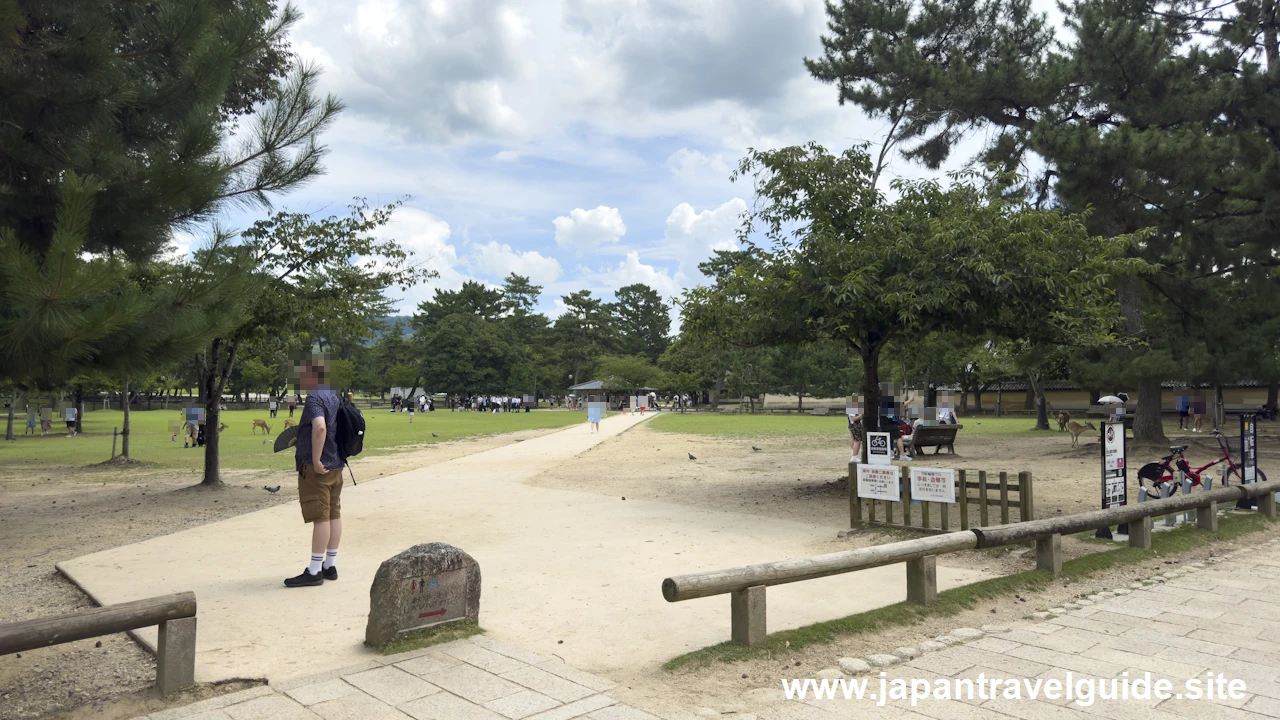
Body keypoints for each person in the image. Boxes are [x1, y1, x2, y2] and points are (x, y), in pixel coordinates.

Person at [286, 356, 344, 588]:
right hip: (337, 465)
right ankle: (330, 565)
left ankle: (314, 570)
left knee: (320, 517)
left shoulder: (314, 398)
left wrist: (317, 459)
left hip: (318, 467)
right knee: (333, 514)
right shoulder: (334, 395)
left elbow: (320, 427)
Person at [846, 396, 864, 463]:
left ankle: (855, 454)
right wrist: (860, 415)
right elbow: (853, 419)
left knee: (856, 439)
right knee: (857, 440)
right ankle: (854, 456)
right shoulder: (851, 408)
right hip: (854, 425)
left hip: (856, 425)